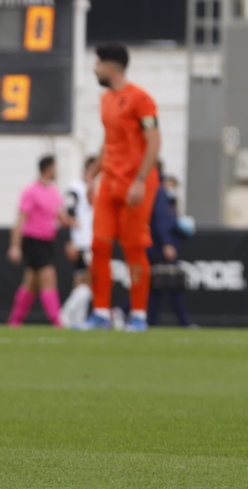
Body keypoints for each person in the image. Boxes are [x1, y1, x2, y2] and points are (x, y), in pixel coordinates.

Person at [77, 43, 162, 332]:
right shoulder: (106, 100)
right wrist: (92, 174)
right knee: (99, 245)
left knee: (134, 248)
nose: (94, 69)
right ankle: (101, 312)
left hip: (135, 184)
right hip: (110, 182)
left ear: (111, 67)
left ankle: (138, 315)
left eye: (98, 64)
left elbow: (154, 141)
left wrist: (140, 180)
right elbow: (109, 141)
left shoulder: (141, 99)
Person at [6, 155, 70, 327]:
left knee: (31, 284)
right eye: (55, 167)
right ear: (48, 168)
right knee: (49, 278)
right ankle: (57, 322)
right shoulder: (30, 191)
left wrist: (76, 222)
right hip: (33, 241)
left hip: (47, 242)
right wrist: (15, 246)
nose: (57, 171)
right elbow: (20, 220)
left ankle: (15, 321)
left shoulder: (54, 191)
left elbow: (60, 216)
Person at [148, 173, 193, 327]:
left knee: (160, 288)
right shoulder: (161, 201)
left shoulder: (172, 203)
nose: (171, 188)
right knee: (159, 287)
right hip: (160, 250)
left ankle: (152, 322)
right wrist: (167, 244)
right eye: (169, 184)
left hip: (170, 247)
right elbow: (161, 225)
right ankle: (126, 312)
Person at [59, 156, 96, 328]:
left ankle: (77, 318)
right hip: (81, 242)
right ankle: (66, 313)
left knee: (82, 281)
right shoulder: (75, 188)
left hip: (92, 241)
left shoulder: (95, 188)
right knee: (88, 280)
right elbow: (67, 216)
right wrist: (69, 241)